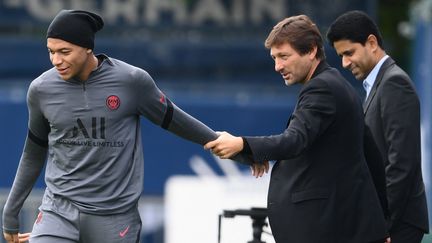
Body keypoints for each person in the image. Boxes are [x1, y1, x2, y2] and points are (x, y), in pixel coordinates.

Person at [1, 9, 251, 243]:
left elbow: (175, 120)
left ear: (88, 48)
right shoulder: (41, 89)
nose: (56, 60)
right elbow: (33, 152)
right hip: (58, 211)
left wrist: (242, 151)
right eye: (51, 51)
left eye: (64, 51)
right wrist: (11, 212)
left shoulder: (131, 81)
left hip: (115, 217)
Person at [205, 14, 388, 242]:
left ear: (311, 51)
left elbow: (293, 141)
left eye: (284, 56)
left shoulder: (322, 88)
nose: (277, 66)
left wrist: (241, 144)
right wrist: (382, 227)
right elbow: (370, 155)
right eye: (274, 58)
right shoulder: (334, 85)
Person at [326, 10, 429, 243]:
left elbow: (402, 163)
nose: (344, 63)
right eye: (341, 56)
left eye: (349, 53)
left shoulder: (394, 83)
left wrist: (383, 224)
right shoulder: (378, 84)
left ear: (371, 43)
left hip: (398, 224)